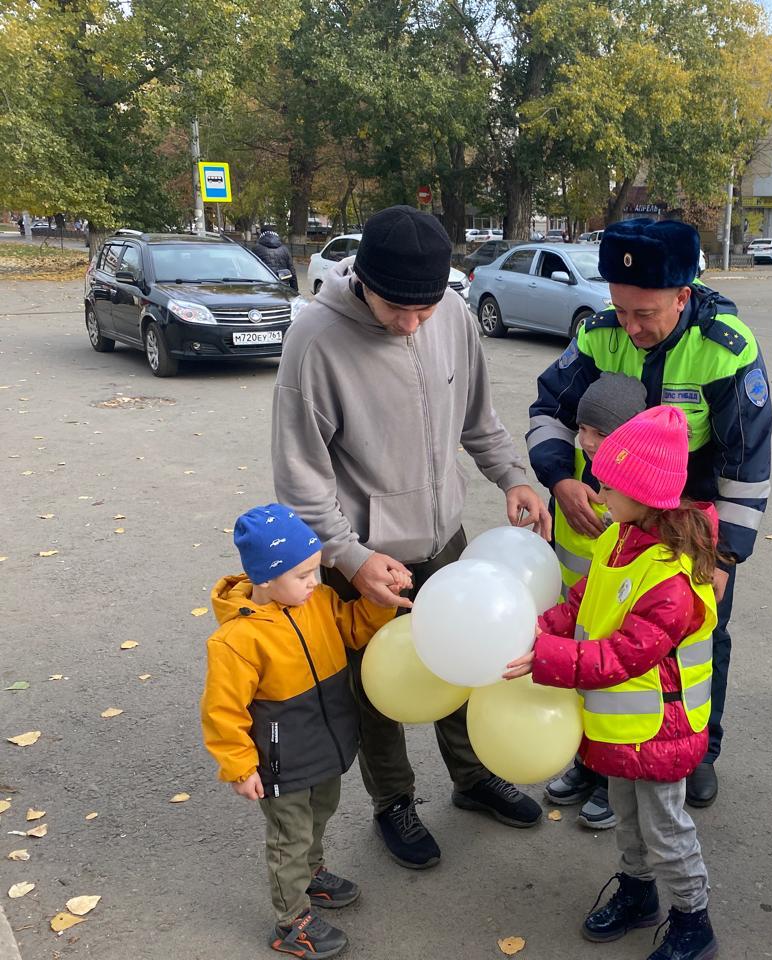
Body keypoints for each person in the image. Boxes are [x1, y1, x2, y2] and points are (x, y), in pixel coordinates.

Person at [272, 205, 552, 872]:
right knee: (381, 686)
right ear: (362, 281)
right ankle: (393, 800)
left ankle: (472, 776)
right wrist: (351, 555)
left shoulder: (449, 315)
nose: (411, 323)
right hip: (364, 552)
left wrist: (511, 476)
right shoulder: (314, 340)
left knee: (471, 661)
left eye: (423, 310)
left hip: (444, 535)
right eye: (399, 308)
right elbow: (299, 476)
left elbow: (477, 415)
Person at [528, 217, 772, 807]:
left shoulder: (724, 350)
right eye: (621, 309)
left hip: (692, 536)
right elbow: (549, 410)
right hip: (608, 526)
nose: (631, 327)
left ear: (683, 295)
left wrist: (725, 557)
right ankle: (591, 757)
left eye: (646, 314)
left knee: (695, 646)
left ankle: (698, 751)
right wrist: (561, 480)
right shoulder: (599, 332)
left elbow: (747, 460)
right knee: (597, 629)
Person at [506, 405, 722, 960]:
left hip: (660, 730)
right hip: (624, 725)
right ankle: (637, 892)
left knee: (666, 832)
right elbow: (584, 602)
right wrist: (537, 627)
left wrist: (545, 657)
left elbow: (625, 655)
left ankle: (692, 920)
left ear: (645, 494)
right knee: (628, 822)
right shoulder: (618, 539)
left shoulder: (670, 577)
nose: (596, 486)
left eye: (608, 479)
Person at [200, 504, 400, 959]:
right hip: (279, 758)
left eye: (315, 571)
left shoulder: (319, 603)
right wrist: (238, 765)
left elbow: (352, 630)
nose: (315, 582)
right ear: (267, 579)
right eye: (303, 575)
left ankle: (311, 872)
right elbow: (222, 711)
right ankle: (292, 921)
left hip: (323, 745)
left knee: (321, 811)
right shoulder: (236, 641)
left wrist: (375, 602)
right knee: (290, 836)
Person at [544, 372, 649, 830]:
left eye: (598, 433)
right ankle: (587, 766)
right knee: (585, 695)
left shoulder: (636, 493)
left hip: (618, 627)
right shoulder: (574, 465)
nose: (585, 440)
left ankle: (611, 780)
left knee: (613, 702)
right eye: (582, 428)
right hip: (582, 610)